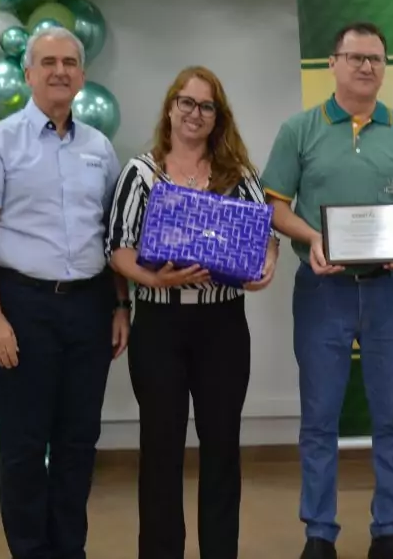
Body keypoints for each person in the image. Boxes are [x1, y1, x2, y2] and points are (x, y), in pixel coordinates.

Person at [262, 21, 393, 559]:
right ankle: (319, 533)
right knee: (320, 418)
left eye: (375, 59)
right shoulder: (300, 130)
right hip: (324, 292)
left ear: (385, 68)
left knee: (392, 417)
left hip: (390, 292)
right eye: (355, 57)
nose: (366, 66)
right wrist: (313, 237)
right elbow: (275, 205)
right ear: (333, 63)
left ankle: (389, 531)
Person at [0, 26, 129, 559]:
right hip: (22, 307)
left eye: (69, 63)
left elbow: (113, 233)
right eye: (49, 62)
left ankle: (70, 549)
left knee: (79, 442)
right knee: (24, 446)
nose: (60, 71)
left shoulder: (99, 148)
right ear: (29, 74)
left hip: (89, 306)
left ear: (82, 75)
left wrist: (120, 304)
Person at [105, 66, 279, 559]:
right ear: (170, 108)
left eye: (206, 106)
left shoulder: (237, 174)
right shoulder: (141, 173)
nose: (195, 113)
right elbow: (117, 248)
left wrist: (265, 265)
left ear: (218, 117)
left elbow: (266, 236)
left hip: (223, 327)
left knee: (222, 447)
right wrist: (152, 280)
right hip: (159, 326)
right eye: (186, 102)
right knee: (160, 449)